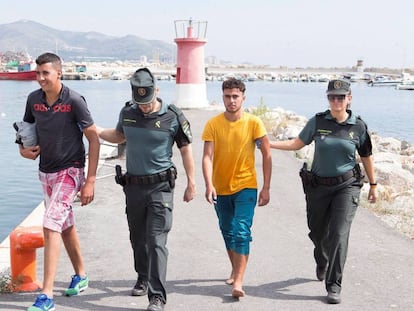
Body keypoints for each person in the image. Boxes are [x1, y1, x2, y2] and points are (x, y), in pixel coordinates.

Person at [270, 79, 377, 304]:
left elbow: (366, 155)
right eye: (332, 97)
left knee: (338, 234)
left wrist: (374, 186)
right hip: (317, 187)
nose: (336, 101)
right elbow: (297, 144)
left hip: (346, 187)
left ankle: (334, 284)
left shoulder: (358, 126)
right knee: (318, 233)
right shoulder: (318, 121)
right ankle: (322, 259)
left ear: (349, 98)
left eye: (340, 97)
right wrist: (268, 144)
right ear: (328, 98)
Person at [98, 67, 196, 311]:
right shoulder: (127, 112)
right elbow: (120, 136)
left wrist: (192, 182)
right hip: (133, 187)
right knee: (137, 238)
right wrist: (96, 130)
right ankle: (142, 276)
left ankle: (157, 296)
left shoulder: (172, 116)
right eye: (139, 101)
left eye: (147, 101)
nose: (143, 106)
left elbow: (185, 148)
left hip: (160, 187)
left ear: (157, 91)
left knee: (156, 240)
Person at [18, 52, 100, 311]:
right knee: (65, 226)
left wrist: (90, 181)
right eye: (37, 73)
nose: (40, 78)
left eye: (46, 73)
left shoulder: (75, 100)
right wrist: (23, 150)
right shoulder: (33, 100)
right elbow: (26, 131)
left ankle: (47, 295)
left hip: (71, 170)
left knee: (50, 224)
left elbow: (94, 138)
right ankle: (81, 275)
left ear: (59, 73)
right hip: (46, 172)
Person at [202, 78, 272, 298]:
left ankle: (238, 282)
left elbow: (267, 154)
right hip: (221, 188)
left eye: (235, 96)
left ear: (243, 97)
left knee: (241, 231)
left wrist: (266, 187)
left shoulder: (254, 123)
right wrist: (208, 184)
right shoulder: (213, 124)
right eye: (227, 96)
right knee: (227, 230)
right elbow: (207, 156)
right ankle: (235, 269)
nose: (231, 100)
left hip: (246, 186)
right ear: (222, 97)